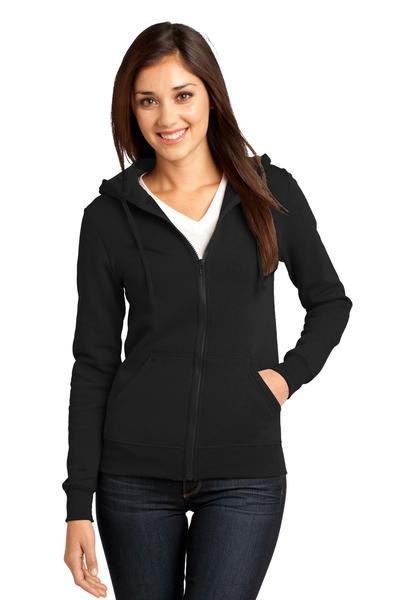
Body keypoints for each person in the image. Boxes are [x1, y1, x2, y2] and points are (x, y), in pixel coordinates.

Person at [62, 21, 353, 600]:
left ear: (211, 96)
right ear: (131, 110)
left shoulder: (270, 192)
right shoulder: (108, 218)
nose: (167, 117)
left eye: (182, 95)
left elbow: (329, 301)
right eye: (148, 100)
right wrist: (78, 506)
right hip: (133, 475)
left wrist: (285, 379)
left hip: (245, 472)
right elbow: (93, 362)